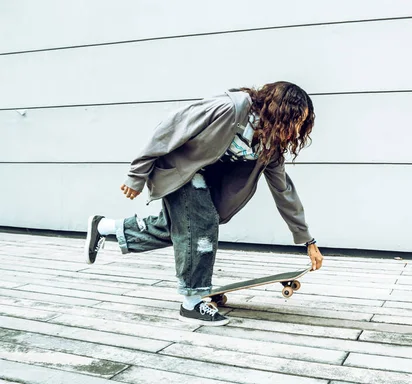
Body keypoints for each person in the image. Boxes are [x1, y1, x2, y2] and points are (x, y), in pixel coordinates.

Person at [83, 81, 323, 326]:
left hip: (204, 180)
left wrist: (307, 240)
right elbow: (169, 128)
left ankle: (104, 227)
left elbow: (284, 192)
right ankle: (192, 302)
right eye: (294, 120)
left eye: (302, 123)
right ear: (278, 111)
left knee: (180, 230)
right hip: (180, 168)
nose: (296, 130)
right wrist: (137, 174)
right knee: (200, 226)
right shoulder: (230, 108)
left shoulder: (270, 146)